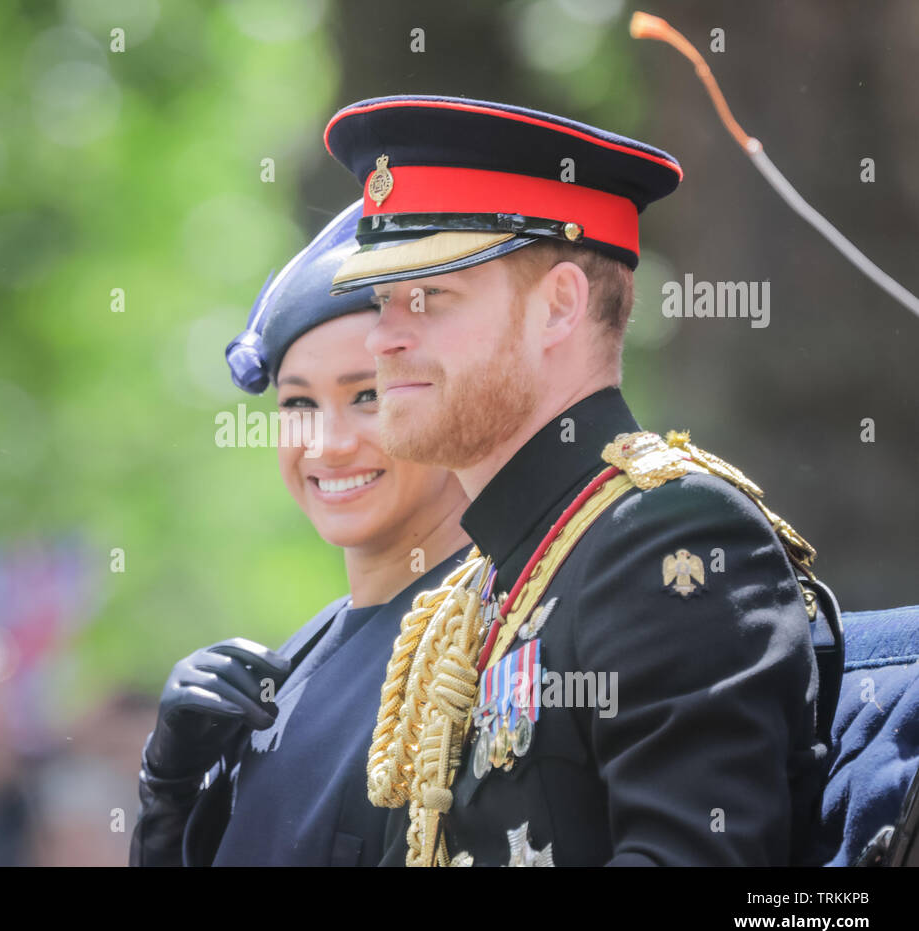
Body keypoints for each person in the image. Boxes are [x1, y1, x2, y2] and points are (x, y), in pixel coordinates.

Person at [323, 95, 827, 866]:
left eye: (428, 298)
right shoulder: (475, 593)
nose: (383, 337)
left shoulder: (670, 534)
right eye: (381, 300)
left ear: (559, 307)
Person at [130, 200, 472, 866]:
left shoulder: (493, 640)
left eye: (367, 395)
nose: (329, 444)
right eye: (299, 404)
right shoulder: (287, 672)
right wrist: (168, 795)